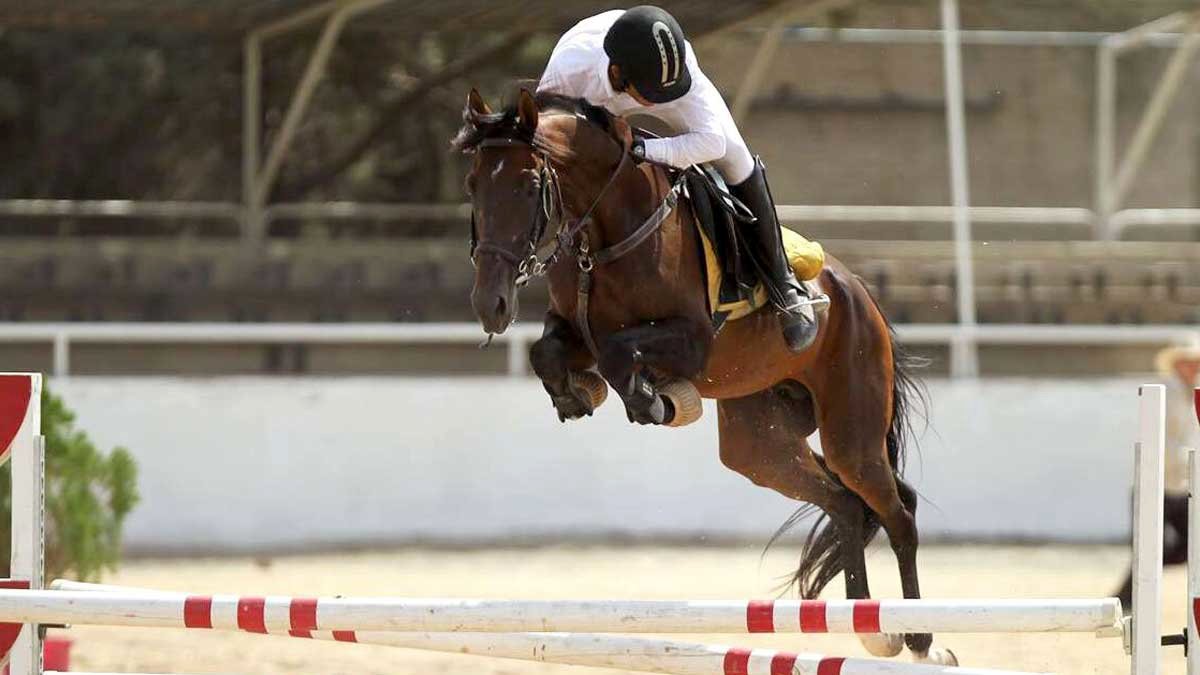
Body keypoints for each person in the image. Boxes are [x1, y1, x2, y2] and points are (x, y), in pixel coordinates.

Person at [537, 6, 817, 352]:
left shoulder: (676, 75)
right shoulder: (569, 70)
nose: (656, 102)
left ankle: (783, 283)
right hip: (587, 100)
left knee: (735, 157)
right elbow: (546, 135)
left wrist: (644, 148)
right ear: (617, 73)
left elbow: (711, 143)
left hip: (648, 71)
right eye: (651, 93)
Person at [1114, 342, 1200, 609]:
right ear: (1177, 364)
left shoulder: (1188, 393)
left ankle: (1128, 596)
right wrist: (1189, 462)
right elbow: (1161, 441)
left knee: (1181, 546)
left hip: (1177, 486)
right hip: (1157, 484)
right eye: (1190, 362)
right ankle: (1127, 598)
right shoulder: (1167, 392)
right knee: (1153, 548)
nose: (1195, 367)